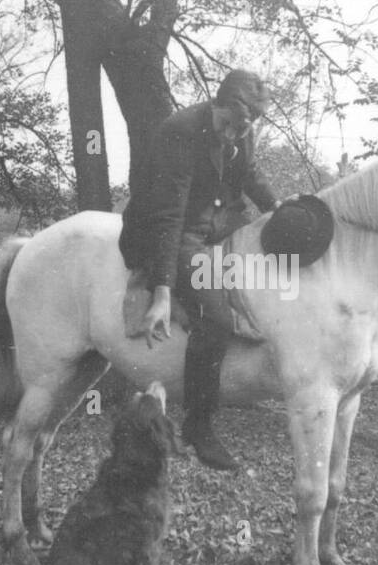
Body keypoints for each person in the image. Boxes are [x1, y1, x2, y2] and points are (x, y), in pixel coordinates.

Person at [118, 70, 279, 471]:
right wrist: (161, 292)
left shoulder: (242, 132)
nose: (231, 135)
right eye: (227, 124)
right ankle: (199, 426)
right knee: (217, 320)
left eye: (240, 130)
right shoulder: (181, 131)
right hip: (177, 231)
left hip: (220, 225)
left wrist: (279, 209)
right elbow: (170, 216)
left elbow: (251, 176)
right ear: (216, 104)